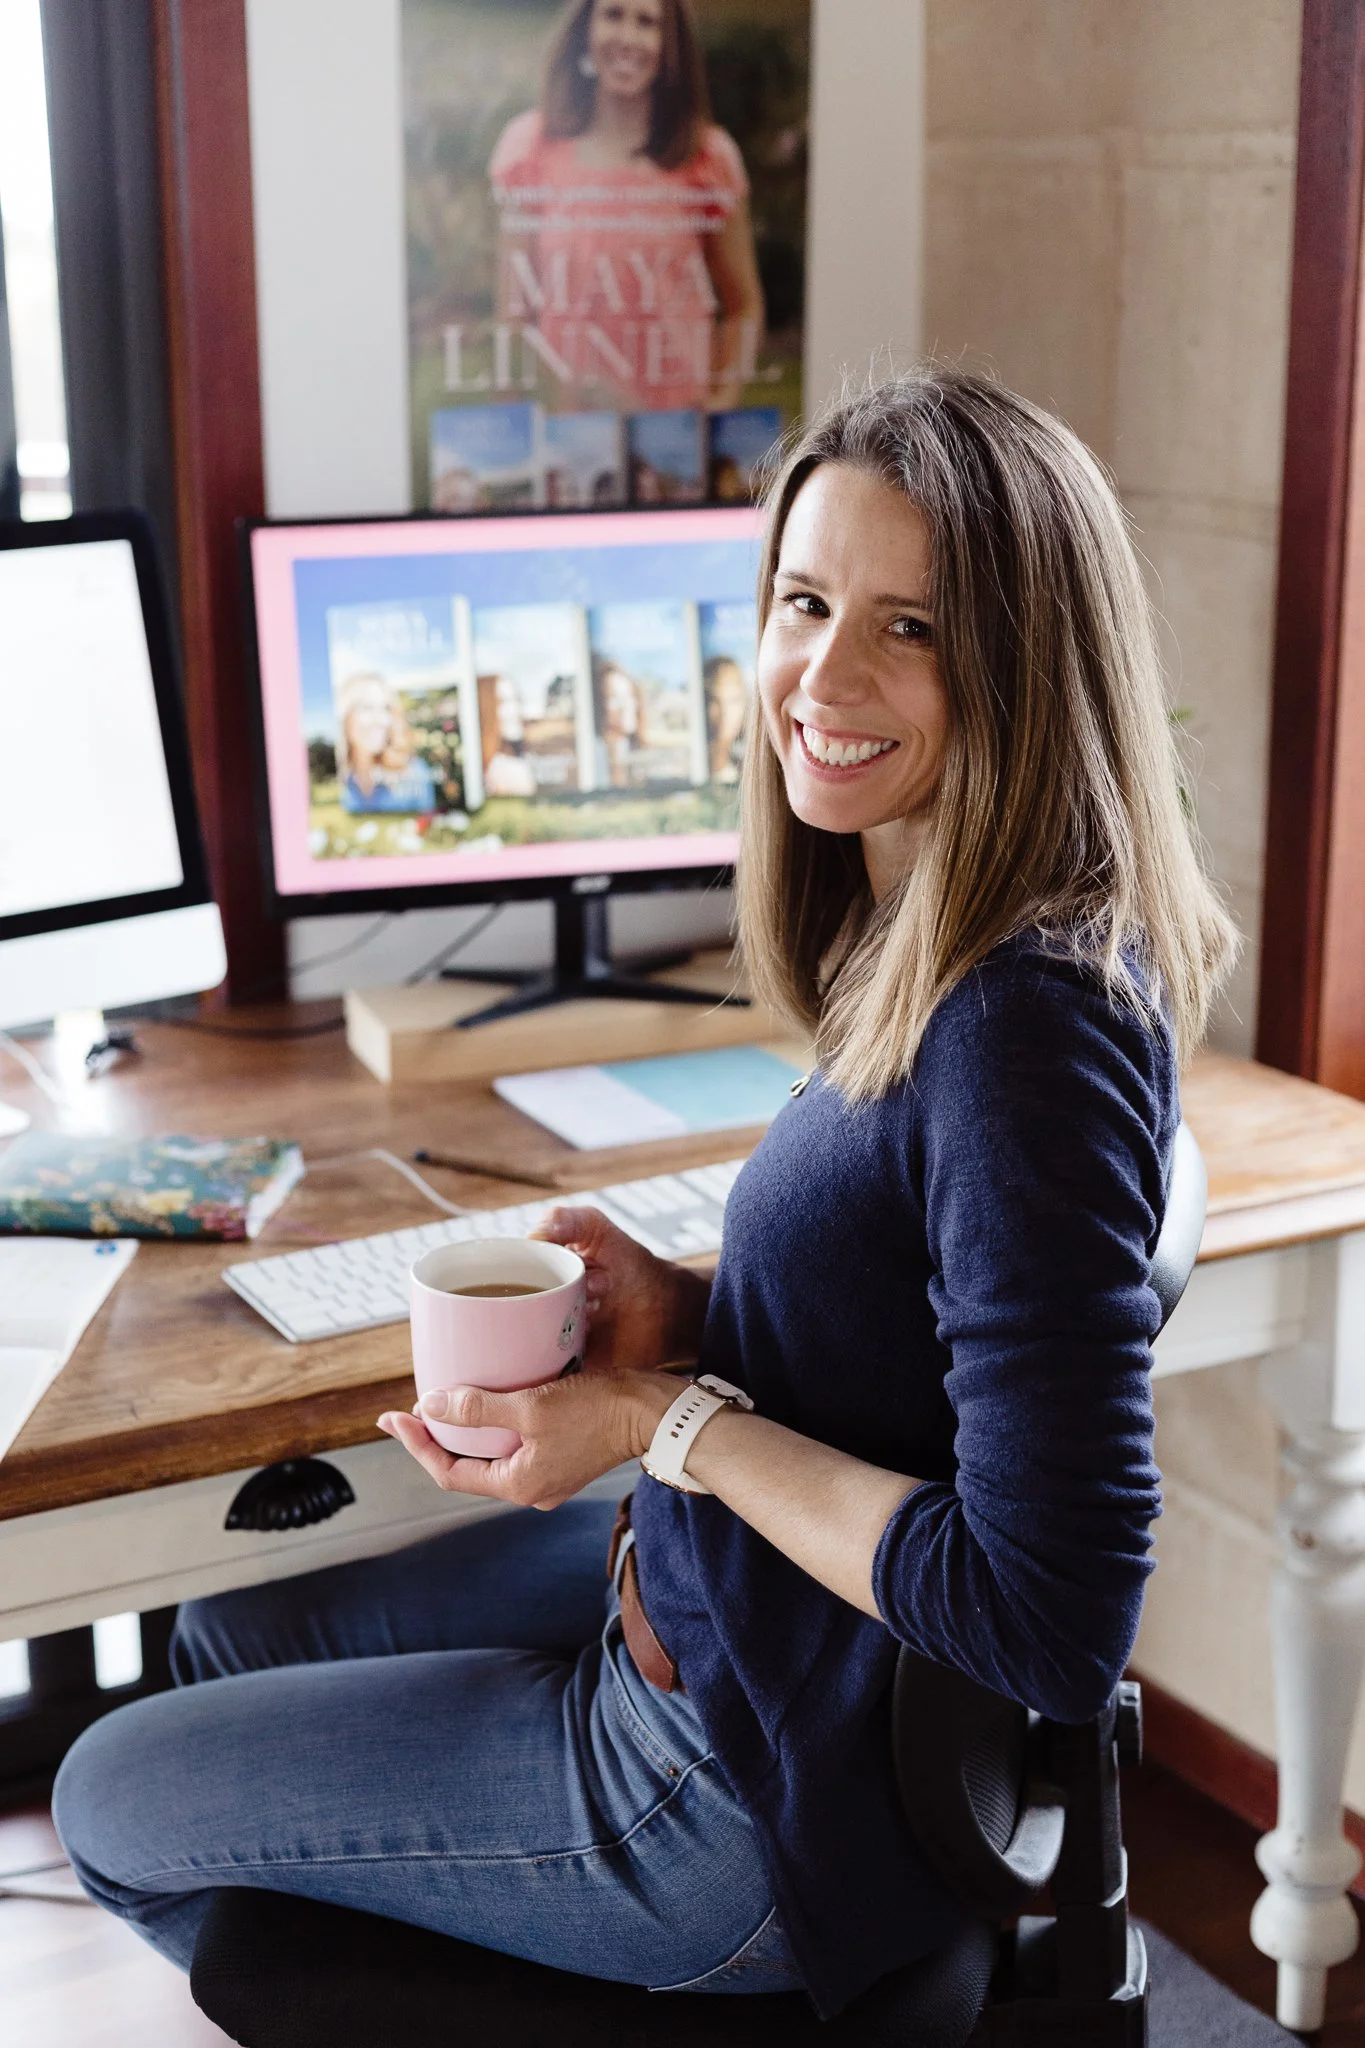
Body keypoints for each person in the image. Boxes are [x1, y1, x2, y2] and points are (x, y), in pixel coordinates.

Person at [53, 371, 1236, 2019]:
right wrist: (685, 1311)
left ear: (1033, 663)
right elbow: (914, 1333)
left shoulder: (1020, 1029)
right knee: (228, 1634)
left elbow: (1047, 1616)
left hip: (739, 1790)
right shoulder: (943, 938)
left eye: (911, 626)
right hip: (725, 1620)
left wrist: (658, 1421)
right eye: (805, 603)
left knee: (105, 1796)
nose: (823, 674)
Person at [490, 0, 765, 413]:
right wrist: (508, 415)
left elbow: (743, 305)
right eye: (613, 15)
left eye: (647, 22)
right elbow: (513, 316)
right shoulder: (530, 149)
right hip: (570, 427)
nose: (628, 37)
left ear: (669, 42)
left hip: (677, 425)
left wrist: (720, 405)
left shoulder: (707, 157)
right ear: (586, 28)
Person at [335, 672, 437, 813]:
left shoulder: (414, 771)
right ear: (344, 717)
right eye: (367, 707)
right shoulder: (341, 777)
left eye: (385, 708)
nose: (382, 720)